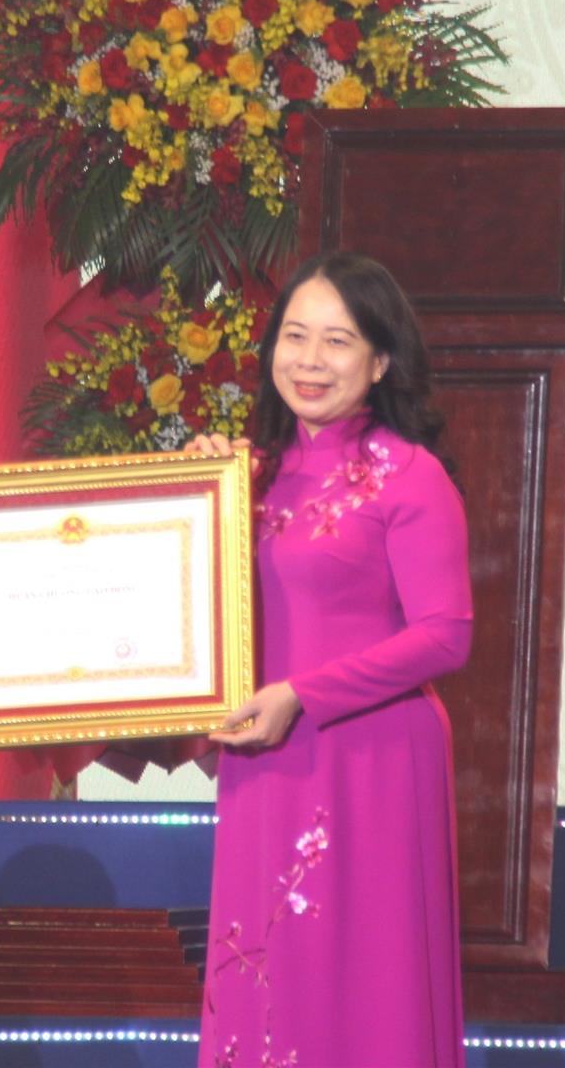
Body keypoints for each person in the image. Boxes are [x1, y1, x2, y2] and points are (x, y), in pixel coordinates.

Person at [191, 251, 473, 1067]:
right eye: (295, 336)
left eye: (338, 341)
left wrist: (302, 695)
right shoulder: (242, 475)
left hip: (371, 761)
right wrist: (191, 490)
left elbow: (446, 633)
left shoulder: (410, 475)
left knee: (363, 983)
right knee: (268, 973)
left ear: (380, 361)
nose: (310, 360)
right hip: (263, 757)